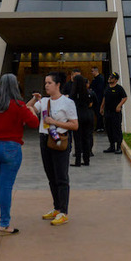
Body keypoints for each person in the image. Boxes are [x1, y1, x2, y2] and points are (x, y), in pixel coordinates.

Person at [0, 73, 40, 235]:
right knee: (6, 186)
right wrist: (31, 110)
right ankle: (4, 224)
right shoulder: (18, 105)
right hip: (11, 148)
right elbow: (34, 123)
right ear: (15, 86)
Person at [34, 71, 79, 226]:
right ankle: (56, 207)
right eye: (45, 83)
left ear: (58, 84)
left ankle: (63, 212)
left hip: (60, 140)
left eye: (49, 83)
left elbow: (74, 125)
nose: (46, 85)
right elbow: (29, 110)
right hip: (44, 139)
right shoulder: (44, 101)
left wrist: (55, 122)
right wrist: (34, 99)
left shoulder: (67, 102)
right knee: (51, 176)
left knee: (61, 177)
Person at [69, 73, 95, 167]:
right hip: (87, 115)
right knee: (86, 138)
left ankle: (78, 161)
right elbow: (92, 103)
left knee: (77, 139)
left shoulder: (74, 94)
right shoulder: (88, 93)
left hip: (78, 116)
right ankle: (86, 160)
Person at [101, 72, 127, 154]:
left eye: (112, 78)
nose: (110, 78)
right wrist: (101, 107)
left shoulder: (119, 88)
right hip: (107, 112)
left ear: (116, 80)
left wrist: (119, 106)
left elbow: (125, 97)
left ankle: (118, 147)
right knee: (109, 129)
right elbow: (104, 97)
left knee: (117, 129)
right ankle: (111, 146)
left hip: (115, 113)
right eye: (110, 77)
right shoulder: (107, 87)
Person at [90, 66, 106, 132]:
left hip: (99, 98)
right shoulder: (95, 79)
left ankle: (100, 126)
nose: (91, 73)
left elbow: (99, 89)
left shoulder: (100, 79)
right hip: (96, 98)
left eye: (92, 71)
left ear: (96, 71)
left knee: (99, 112)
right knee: (97, 113)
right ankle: (98, 126)